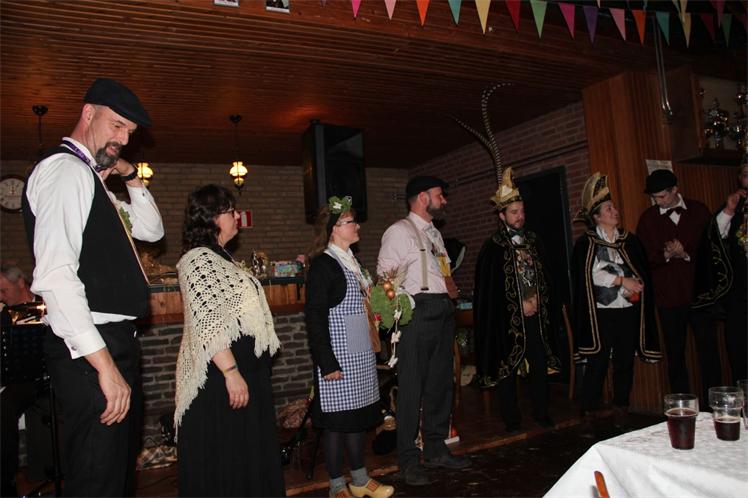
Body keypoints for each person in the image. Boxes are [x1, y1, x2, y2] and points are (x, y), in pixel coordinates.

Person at [22, 78, 164, 496]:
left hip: (113, 341)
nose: (123, 139)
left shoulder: (92, 179)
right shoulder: (66, 170)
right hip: (91, 349)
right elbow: (56, 276)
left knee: (115, 477)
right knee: (97, 479)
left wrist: (130, 175)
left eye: (130, 133)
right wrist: (104, 366)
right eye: (117, 125)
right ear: (88, 113)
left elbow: (152, 231)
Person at [174, 184, 285, 497]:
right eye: (230, 211)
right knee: (229, 464)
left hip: (247, 373)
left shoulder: (222, 257)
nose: (237, 216)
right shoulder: (198, 260)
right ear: (211, 217)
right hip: (223, 379)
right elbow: (208, 325)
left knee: (248, 460)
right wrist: (231, 372)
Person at [377, 176, 470, 487]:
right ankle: (407, 460)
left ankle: (435, 449)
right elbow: (385, 280)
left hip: (443, 309)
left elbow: (442, 273)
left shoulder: (435, 234)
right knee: (412, 388)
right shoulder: (399, 231)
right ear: (422, 197)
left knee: (440, 385)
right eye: (439, 195)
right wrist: (405, 307)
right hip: (417, 312)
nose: (444, 200)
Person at [304, 196, 394, 498]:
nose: (357, 226)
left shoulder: (355, 265)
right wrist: (326, 362)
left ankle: (359, 480)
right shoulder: (324, 266)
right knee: (336, 425)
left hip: (361, 356)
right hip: (338, 359)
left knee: (357, 421)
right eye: (351, 222)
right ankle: (336, 486)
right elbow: (315, 318)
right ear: (334, 228)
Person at [473, 168, 562, 433]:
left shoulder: (534, 241)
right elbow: (489, 292)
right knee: (508, 369)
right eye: (514, 212)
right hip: (508, 321)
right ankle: (511, 419)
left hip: (536, 315)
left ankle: (541, 412)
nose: (520, 216)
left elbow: (547, 277)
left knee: (539, 364)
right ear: (502, 216)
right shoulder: (493, 247)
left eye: (522, 211)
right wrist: (518, 304)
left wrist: (538, 300)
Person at [572, 173, 661, 417]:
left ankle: (621, 407)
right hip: (601, 313)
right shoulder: (587, 243)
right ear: (597, 217)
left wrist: (636, 284)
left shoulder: (628, 241)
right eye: (608, 209)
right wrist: (622, 280)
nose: (615, 211)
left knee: (625, 361)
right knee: (598, 362)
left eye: (614, 207)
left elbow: (640, 270)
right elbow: (593, 275)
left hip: (627, 310)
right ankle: (589, 411)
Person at [635, 169, 719, 402]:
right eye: (654, 197)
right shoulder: (647, 219)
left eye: (661, 196)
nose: (657, 201)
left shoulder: (699, 211)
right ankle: (682, 408)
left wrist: (686, 253)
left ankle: (714, 405)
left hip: (700, 295)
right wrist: (666, 254)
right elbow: (641, 257)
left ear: (675, 190)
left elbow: (713, 251)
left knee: (709, 351)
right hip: (668, 297)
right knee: (675, 355)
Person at [693, 163, 748, 381]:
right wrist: (729, 210)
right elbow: (713, 238)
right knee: (740, 350)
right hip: (740, 294)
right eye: (746, 174)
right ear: (740, 179)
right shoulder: (736, 206)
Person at [0, 264, 45, 497]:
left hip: (51, 375)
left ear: (20, 283)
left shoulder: (46, 304)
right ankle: (5, 481)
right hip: (21, 380)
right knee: (3, 407)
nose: (1, 297)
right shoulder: (4, 316)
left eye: (3, 290)